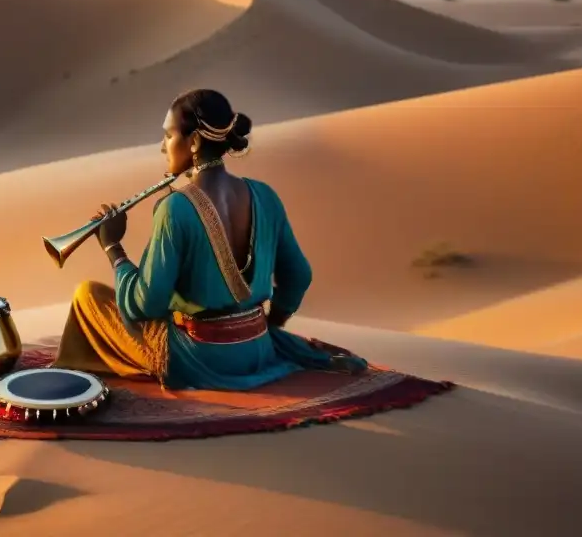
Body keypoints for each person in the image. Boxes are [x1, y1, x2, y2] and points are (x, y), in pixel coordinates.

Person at [52, 88, 367, 390]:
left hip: (200, 359)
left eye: (168, 135)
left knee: (87, 296)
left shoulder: (175, 207)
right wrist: (272, 326)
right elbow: (299, 275)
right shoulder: (265, 195)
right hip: (258, 349)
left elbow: (146, 304)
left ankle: (76, 384)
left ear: (194, 141)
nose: (163, 147)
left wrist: (113, 247)